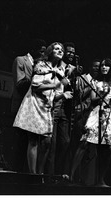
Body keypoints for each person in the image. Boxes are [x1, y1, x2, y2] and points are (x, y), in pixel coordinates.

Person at [13, 42, 72, 174]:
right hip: (35, 104)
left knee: (47, 142)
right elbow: (35, 86)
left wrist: (63, 94)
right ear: (50, 51)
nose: (60, 51)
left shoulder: (61, 71)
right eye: (57, 48)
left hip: (46, 107)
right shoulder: (41, 65)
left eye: (62, 49)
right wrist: (57, 85)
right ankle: (33, 175)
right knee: (33, 140)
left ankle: (40, 173)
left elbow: (55, 94)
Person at [69, 58, 111, 187]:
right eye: (102, 65)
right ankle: (71, 174)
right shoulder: (95, 82)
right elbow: (93, 99)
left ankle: (101, 180)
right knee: (85, 142)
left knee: (108, 147)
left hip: (109, 115)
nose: (103, 67)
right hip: (96, 112)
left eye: (106, 66)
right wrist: (104, 94)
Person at [11, 38, 46, 172]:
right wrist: (36, 76)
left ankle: (28, 175)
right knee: (20, 142)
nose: (43, 54)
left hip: (34, 108)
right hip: (21, 106)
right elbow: (19, 84)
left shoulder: (41, 64)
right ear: (34, 50)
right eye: (42, 51)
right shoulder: (20, 60)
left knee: (32, 143)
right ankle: (17, 175)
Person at [46, 42, 81, 177]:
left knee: (65, 142)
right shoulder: (58, 65)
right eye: (69, 52)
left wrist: (75, 75)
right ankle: (50, 175)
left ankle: (59, 174)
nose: (71, 54)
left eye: (73, 52)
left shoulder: (72, 68)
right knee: (52, 145)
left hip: (66, 110)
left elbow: (74, 89)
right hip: (55, 106)